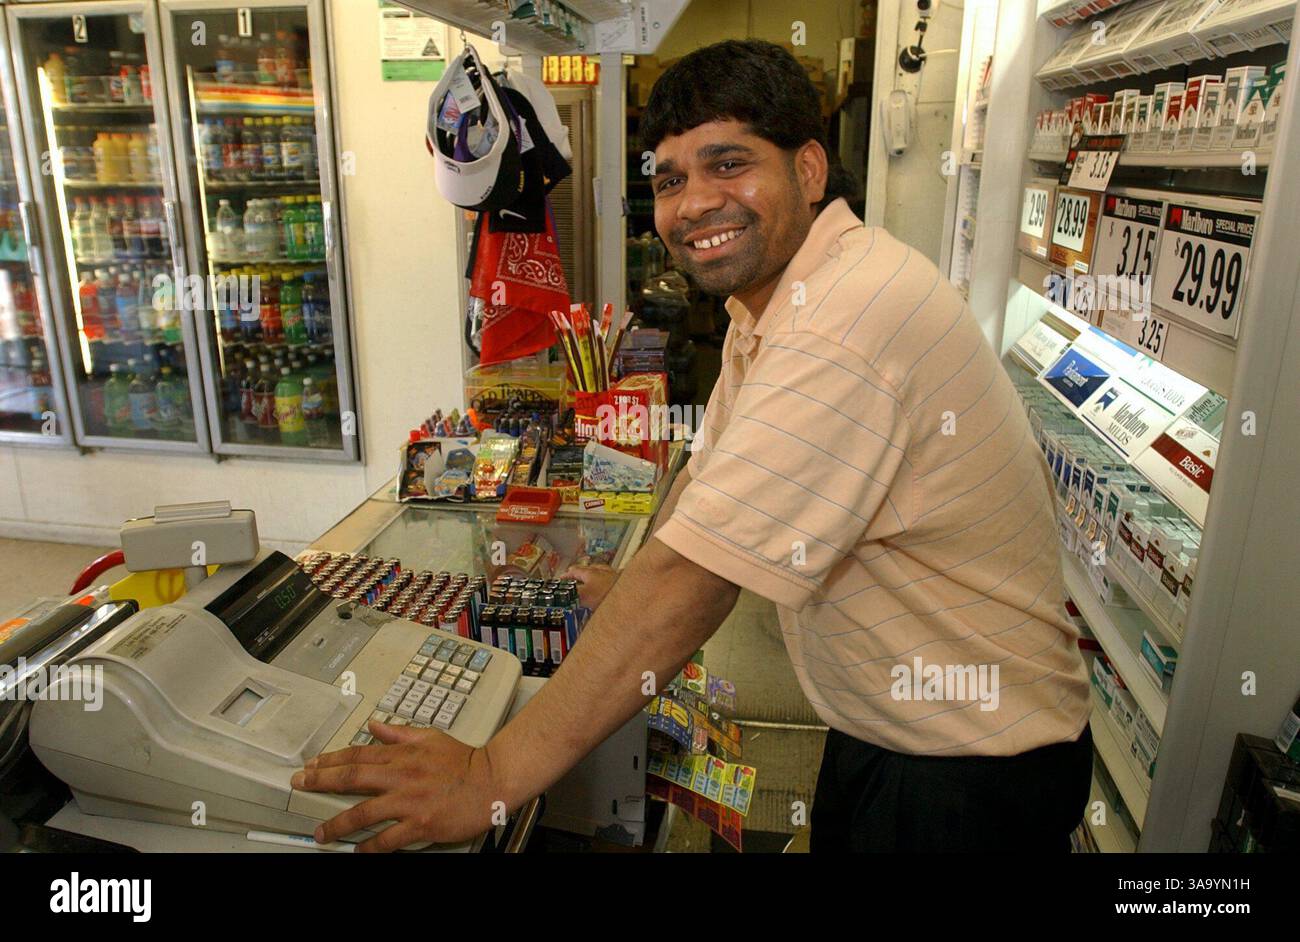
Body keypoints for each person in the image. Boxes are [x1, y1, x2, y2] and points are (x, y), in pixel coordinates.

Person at [293, 39, 1092, 852]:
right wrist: (629, 579)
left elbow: (695, 584)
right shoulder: (786, 300)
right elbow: (707, 474)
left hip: (970, 771)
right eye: (670, 180)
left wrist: (490, 777)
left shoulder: (841, 326)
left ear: (809, 171)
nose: (695, 204)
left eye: (728, 164)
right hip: (895, 728)